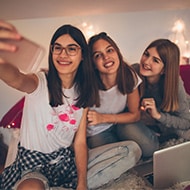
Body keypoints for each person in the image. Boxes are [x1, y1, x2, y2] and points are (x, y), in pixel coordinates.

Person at [0, 20, 99, 190]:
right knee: (30, 188)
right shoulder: (39, 82)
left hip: (65, 164)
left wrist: (82, 183)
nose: (63, 54)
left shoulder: (84, 92)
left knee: (128, 150)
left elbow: (80, 143)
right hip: (33, 166)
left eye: (72, 48)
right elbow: (16, 79)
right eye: (58, 47)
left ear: (83, 55)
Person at [87, 32, 159, 158]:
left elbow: (135, 115)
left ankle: (129, 136)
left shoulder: (128, 74)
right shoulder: (86, 84)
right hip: (97, 131)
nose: (106, 57)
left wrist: (103, 118)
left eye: (110, 50)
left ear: (117, 52)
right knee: (118, 159)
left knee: (150, 149)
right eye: (98, 55)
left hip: (121, 122)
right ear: (92, 63)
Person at [132, 39, 190, 143]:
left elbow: (186, 122)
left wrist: (157, 115)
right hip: (153, 123)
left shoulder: (175, 84)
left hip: (179, 112)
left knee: (182, 134)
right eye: (146, 54)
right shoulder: (134, 71)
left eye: (155, 60)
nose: (146, 61)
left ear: (164, 69)